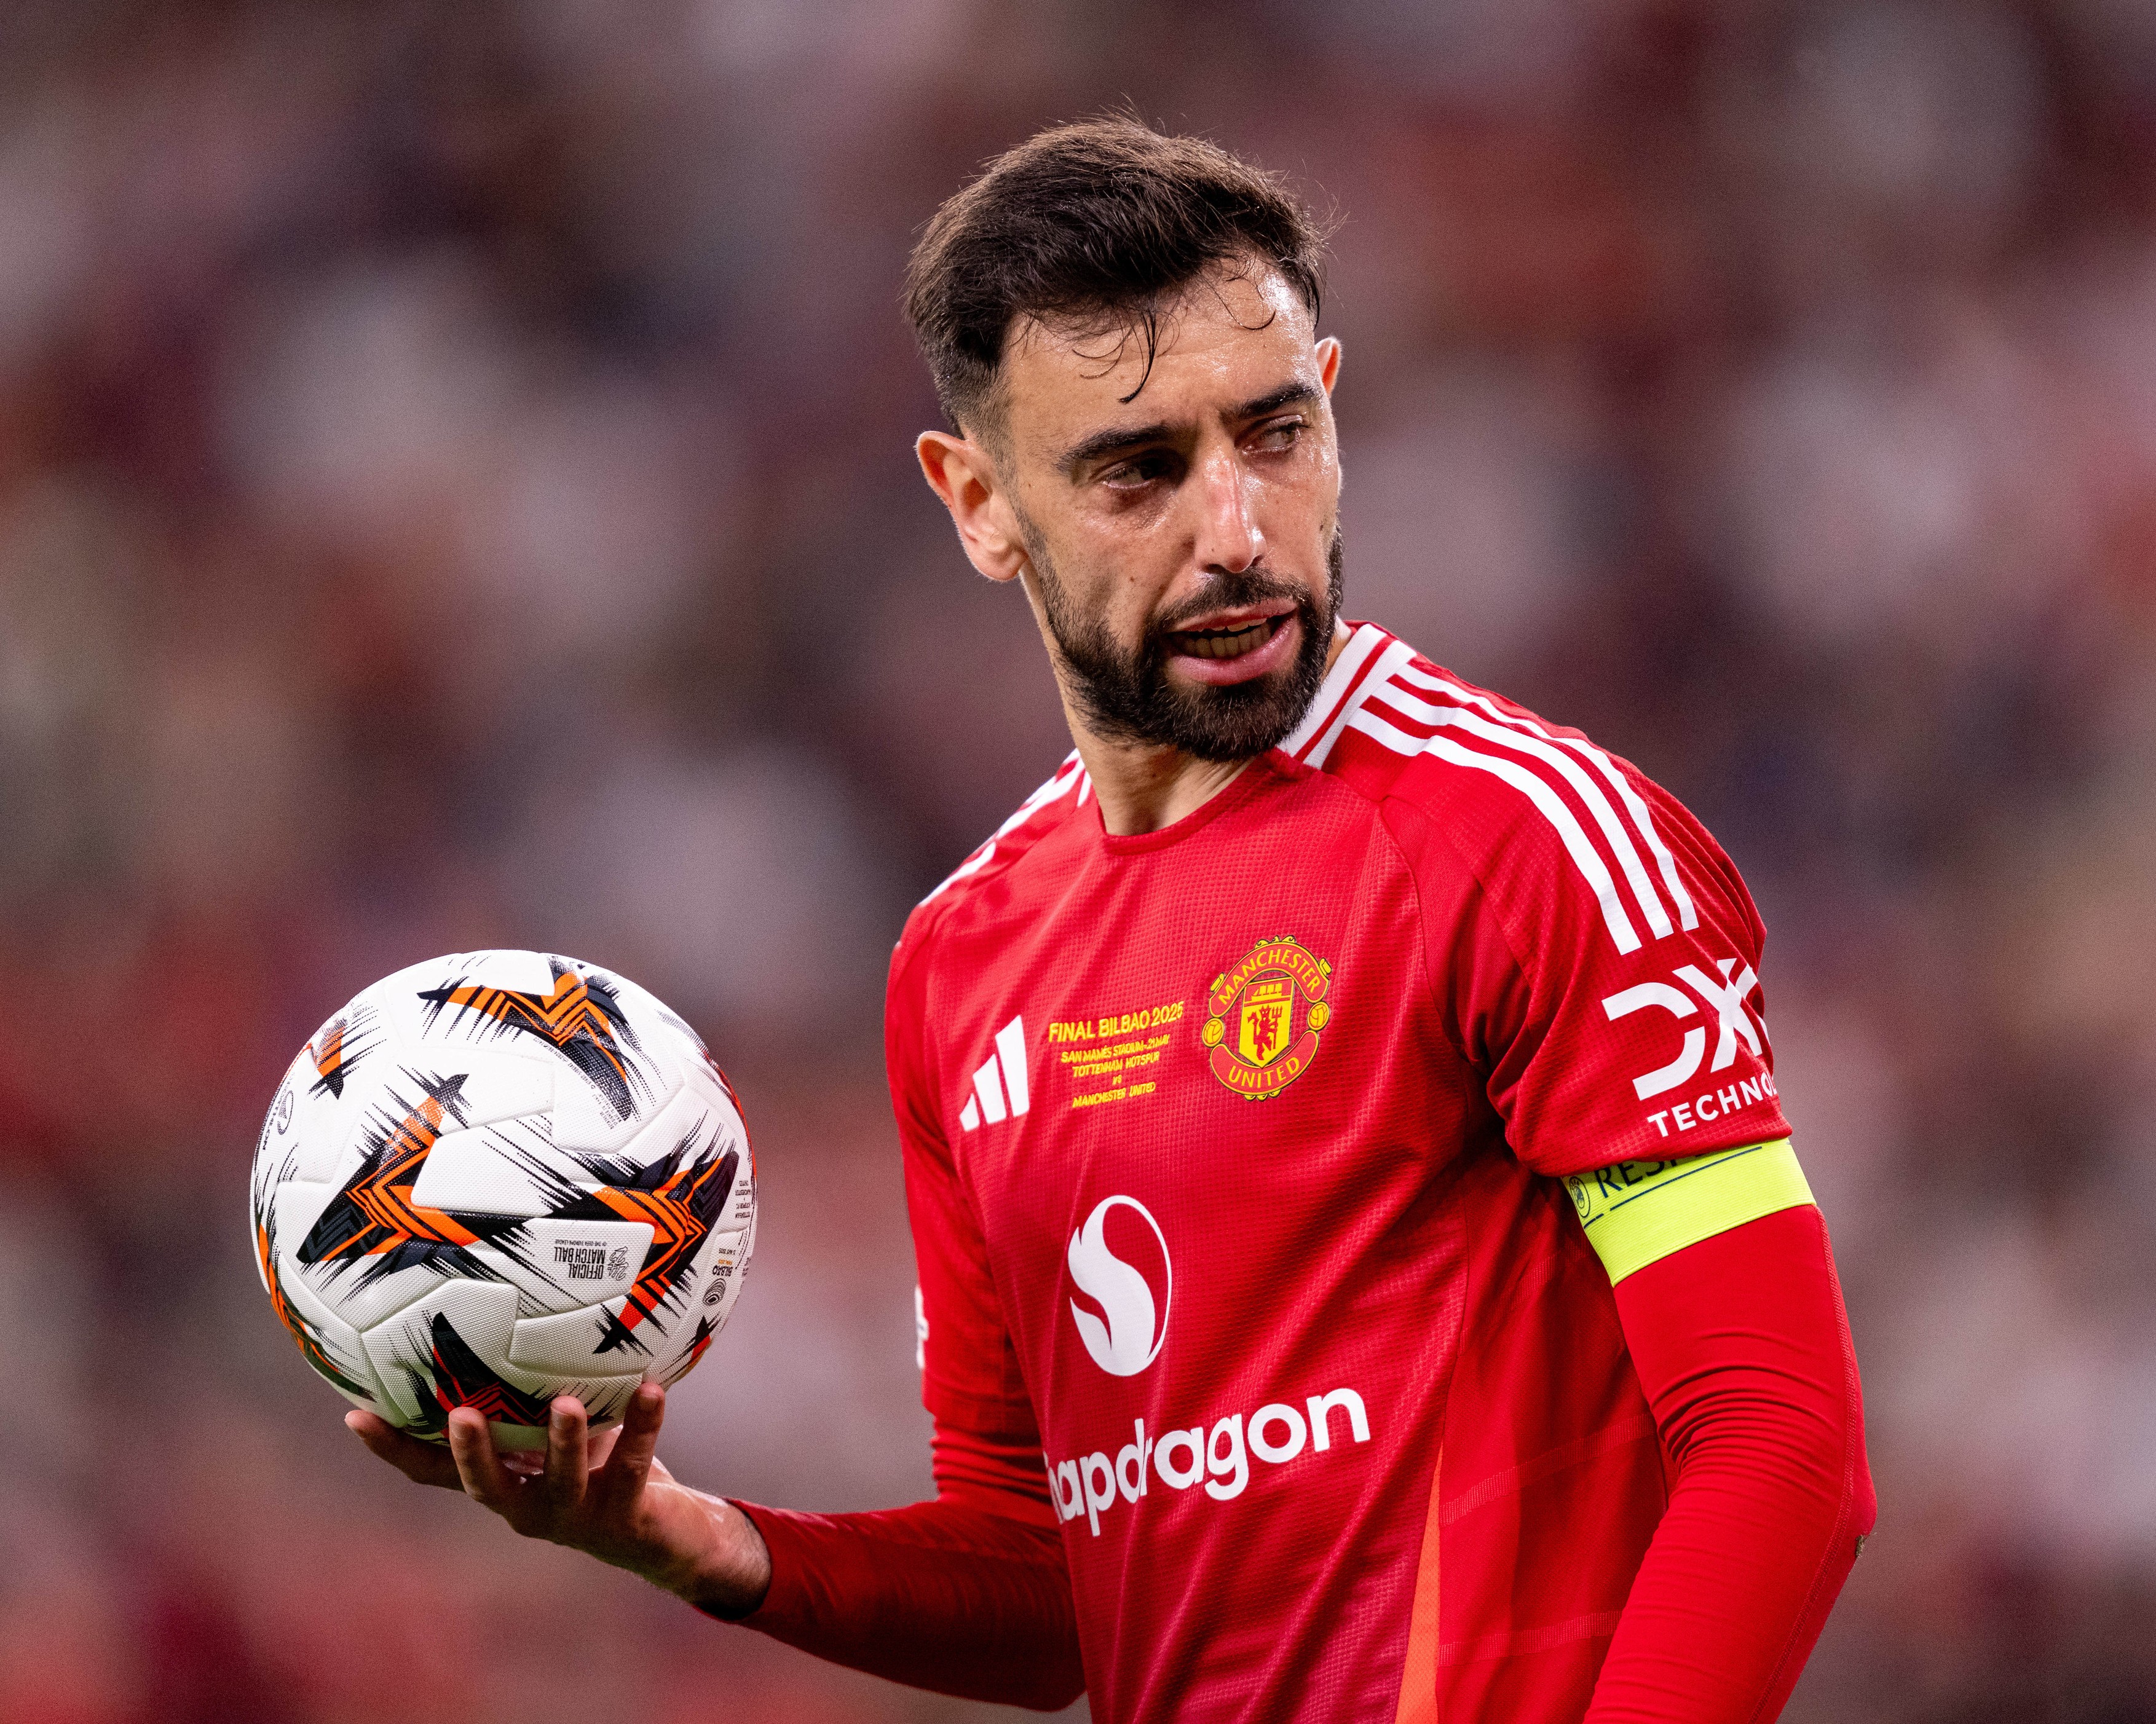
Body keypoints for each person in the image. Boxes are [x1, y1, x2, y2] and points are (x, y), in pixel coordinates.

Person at [351, 117, 1876, 1722]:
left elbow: (1779, 1443)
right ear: (979, 502)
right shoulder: (961, 963)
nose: (1237, 532)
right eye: (1138, 471)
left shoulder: (1525, 844)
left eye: (1274, 436)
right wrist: (705, 1544)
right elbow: (1051, 1589)